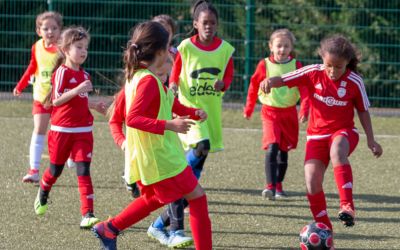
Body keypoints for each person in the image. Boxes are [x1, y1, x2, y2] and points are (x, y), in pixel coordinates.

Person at [92, 21, 212, 250]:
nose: (170, 50)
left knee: (153, 199)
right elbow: (134, 119)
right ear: (158, 50)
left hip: (154, 156)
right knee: (197, 197)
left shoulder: (142, 76)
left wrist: (192, 113)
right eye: (168, 45)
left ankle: (109, 229)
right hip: (160, 157)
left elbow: (168, 103)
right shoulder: (147, 80)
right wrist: (170, 125)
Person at [262, 34, 383, 241]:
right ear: (322, 60)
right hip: (316, 137)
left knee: (337, 151)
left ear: (347, 63)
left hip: (344, 133)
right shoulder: (313, 72)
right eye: (329, 65)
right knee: (311, 181)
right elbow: (286, 78)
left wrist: (371, 140)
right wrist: (270, 81)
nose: (333, 71)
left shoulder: (354, 81)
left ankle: (347, 205)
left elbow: (363, 111)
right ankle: (327, 232)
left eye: (338, 67)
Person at [34, 26, 106, 229]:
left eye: (86, 47)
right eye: (79, 47)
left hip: (83, 131)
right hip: (61, 132)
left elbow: (80, 100)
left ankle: (88, 214)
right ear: (66, 50)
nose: (83, 51)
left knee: (84, 170)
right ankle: (44, 188)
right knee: (55, 170)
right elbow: (56, 101)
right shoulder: (61, 73)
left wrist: (95, 105)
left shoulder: (85, 75)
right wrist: (77, 89)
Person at [169, 0, 234, 181]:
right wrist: (173, 85)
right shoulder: (186, 47)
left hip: (210, 111)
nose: (209, 26)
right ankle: (179, 180)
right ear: (195, 24)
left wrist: (223, 84)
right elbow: (176, 70)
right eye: (205, 22)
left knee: (202, 153)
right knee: (201, 145)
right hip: (189, 108)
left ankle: (185, 196)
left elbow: (229, 75)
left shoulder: (225, 49)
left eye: (212, 23)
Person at [243, 29, 309, 200]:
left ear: (291, 48)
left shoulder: (296, 65)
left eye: (286, 46)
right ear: (271, 47)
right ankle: (270, 186)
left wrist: (304, 108)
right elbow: (253, 85)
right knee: (272, 147)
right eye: (278, 46)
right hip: (270, 113)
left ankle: (279, 185)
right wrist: (249, 107)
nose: (282, 49)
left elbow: (304, 88)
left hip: (289, 114)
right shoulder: (264, 65)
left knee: (283, 152)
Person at [13, 11, 63, 183]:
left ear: (60, 30)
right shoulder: (37, 47)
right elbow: (32, 67)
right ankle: (33, 170)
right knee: (39, 130)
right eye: (46, 28)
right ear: (38, 31)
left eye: (54, 28)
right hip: (41, 97)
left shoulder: (64, 49)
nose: (50, 31)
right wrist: (21, 85)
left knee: (61, 133)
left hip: (61, 99)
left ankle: (71, 157)